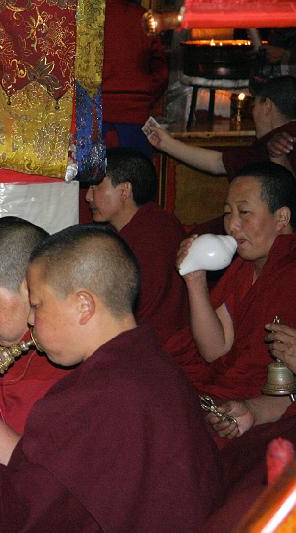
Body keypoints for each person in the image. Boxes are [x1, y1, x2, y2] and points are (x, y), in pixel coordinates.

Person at [0, 225, 221, 532]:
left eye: (37, 305)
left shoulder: (97, 398)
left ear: (84, 306)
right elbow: (46, 476)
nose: (31, 321)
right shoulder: (146, 366)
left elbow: (15, 515)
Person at [169, 162, 296, 407]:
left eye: (244, 212)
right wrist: (194, 278)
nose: (232, 225)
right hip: (225, 393)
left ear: (281, 217)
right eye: (228, 213)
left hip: (263, 405)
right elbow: (214, 350)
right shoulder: (244, 267)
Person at [86, 147, 188, 341]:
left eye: (96, 187)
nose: (88, 197)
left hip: (158, 347)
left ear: (124, 191)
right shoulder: (154, 220)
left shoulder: (151, 237)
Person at [146, 75, 296, 176]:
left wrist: (165, 143)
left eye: (254, 104)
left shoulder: (272, 144)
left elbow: (217, 163)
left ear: (267, 106)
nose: (252, 111)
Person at [101, 0, 169, 157]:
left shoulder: (77, 16)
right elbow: (161, 72)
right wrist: (141, 98)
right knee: (134, 176)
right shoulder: (143, 17)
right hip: (134, 120)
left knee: (88, 179)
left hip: (89, 120)